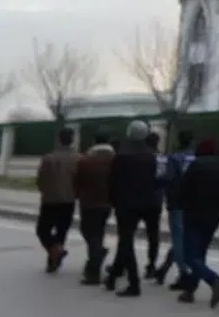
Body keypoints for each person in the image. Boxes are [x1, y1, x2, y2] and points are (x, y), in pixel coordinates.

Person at [104, 121, 159, 297]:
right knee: (126, 241)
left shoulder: (122, 156)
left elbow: (113, 182)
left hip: (126, 204)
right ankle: (113, 276)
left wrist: (112, 201)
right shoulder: (150, 156)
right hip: (147, 202)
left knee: (126, 242)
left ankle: (134, 283)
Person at [178, 138, 219, 306]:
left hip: (194, 213)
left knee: (189, 256)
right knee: (200, 252)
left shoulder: (197, 165)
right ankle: (190, 290)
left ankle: (215, 280)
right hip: (215, 214)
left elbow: (184, 188)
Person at [154, 131, 196, 290]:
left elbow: (168, 178)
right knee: (182, 238)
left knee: (178, 239)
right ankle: (163, 269)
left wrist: (152, 184)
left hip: (177, 202)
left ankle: (185, 272)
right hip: (193, 203)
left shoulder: (174, 158)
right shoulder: (195, 158)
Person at [35, 127, 80, 273]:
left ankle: (54, 254)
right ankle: (54, 259)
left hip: (50, 199)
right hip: (69, 200)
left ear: (59, 139)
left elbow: (40, 179)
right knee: (61, 231)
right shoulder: (79, 158)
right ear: (72, 140)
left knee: (43, 230)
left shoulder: (48, 158)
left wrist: (44, 190)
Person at [74, 132, 115, 285]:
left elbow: (77, 180)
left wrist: (77, 194)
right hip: (107, 202)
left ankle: (94, 270)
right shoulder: (115, 160)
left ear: (94, 142)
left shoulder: (86, 160)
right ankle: (97, 254)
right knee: (99, 232)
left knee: (89, 232)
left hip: (89, 202)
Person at [140, 134, 164, 279]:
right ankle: (151, 265)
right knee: (153, 235)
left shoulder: (141, 157)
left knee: (127, 233)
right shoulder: (161, 158)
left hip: (139, 199)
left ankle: (122, 264)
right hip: (155, 201)